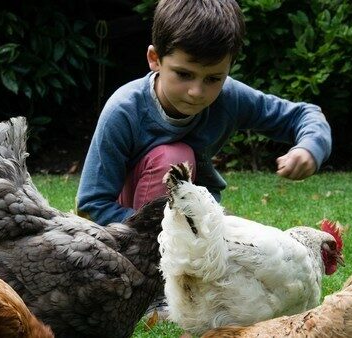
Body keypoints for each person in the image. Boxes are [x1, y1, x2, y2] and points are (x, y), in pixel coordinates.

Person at [77, 0, 331, 226]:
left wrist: (309, 148)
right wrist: (155, 232)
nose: (197, 92)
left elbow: (304, 115)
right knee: (175, 157)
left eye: (213, 78)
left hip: (198, 217)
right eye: (184, 74)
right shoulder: (124, 110)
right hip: (136, 229)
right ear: (155, 58)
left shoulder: (229, 96)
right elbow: (92, 206)